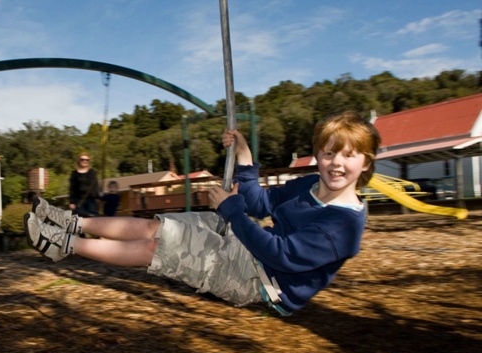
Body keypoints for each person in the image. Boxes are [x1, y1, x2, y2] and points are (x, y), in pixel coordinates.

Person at [24, 112, 380, 315]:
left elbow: (281, 256)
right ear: (317, 155)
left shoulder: (343, 228)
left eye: (349, 155)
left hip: (265, 283)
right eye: (329, 153)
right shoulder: (309, 185)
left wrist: (232, 212)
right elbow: (259, 203)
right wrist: (243, 153)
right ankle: (75, 222)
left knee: (159, 249)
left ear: (365, 163)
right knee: (156, 228)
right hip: (253, 244)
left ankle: (64, 244)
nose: (337, 164)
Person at [68, 153, 99, 217]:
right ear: (79, 160)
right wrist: (71, 202)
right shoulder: (74, 174)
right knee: (79, 219)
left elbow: (95, 186)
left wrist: (96, 197)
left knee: (93, 217)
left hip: (90, 200)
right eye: (82, 159)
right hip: (78, 201)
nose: (84, 161)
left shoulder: (92, 172)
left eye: (87, 160)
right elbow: (72, 189)